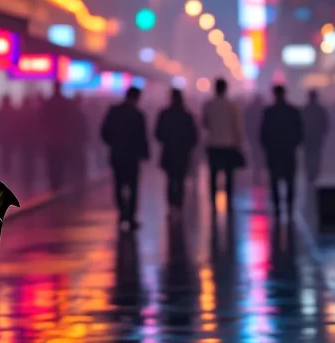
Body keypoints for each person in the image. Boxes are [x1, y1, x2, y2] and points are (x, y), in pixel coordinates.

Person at [100, 86, 149, 230]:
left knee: (119, 186)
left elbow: (104, 132)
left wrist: (114, 144)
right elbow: (142, 137)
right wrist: (144, 154)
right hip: (132, 157)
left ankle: (123, 214)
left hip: (118, 155)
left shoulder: (114, 112)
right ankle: (131, 217)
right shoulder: (138, 115)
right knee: (133, 187)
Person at [260, 84, 304, 222]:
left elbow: (263, 134)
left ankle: (278, 208)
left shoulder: (269, 112)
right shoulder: (293, 111)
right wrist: (293, 145)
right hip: (288, 151)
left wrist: (268, 148)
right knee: (290, 180)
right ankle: (290, 208)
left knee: (274, 180)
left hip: (274, 152)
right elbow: (300, 133)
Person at [202, 78, 245, 214]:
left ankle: (213, 203)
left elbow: (205, 123)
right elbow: (237, 127)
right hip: (228, 145)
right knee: (229, 175)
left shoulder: (209, 105)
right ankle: (229, 201)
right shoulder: (232, 106)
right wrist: (239, 144)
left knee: (213, 175)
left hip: (213, 144)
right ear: (226, 89)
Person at [155, 88, 198, 220]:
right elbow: (194, 136)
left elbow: (158, 133)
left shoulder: (164, 114)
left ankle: (171, 207)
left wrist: (168, 140)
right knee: (179, 181)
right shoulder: (187, 116)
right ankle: (178, 207)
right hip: (182, 153)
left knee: (170, 180)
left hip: (168, 152)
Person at [43, 82, 75, 192]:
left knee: (52, 163)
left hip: (51, 138)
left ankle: (54, 183)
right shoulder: (65, 103)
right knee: (60, 162)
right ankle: (59, 183)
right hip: (62, 139)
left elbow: (43, 121)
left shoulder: (48, 103)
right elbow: (70, 121)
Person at [303, 89, 330, 188]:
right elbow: (325, 124)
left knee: (310, 156)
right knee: (315, 156)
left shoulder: (305, 109)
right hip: (315, 138)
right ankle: (314, 173)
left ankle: (312, 173)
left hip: (309, 138)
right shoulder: (320, 110)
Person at [244, 95, 266, 186]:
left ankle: (257, 169)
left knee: (255, 153)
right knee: (260, 153)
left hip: (253, 136)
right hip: (261, 137)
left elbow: (246, 123)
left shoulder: (250, 109)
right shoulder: (264, 110)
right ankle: (259, 168)